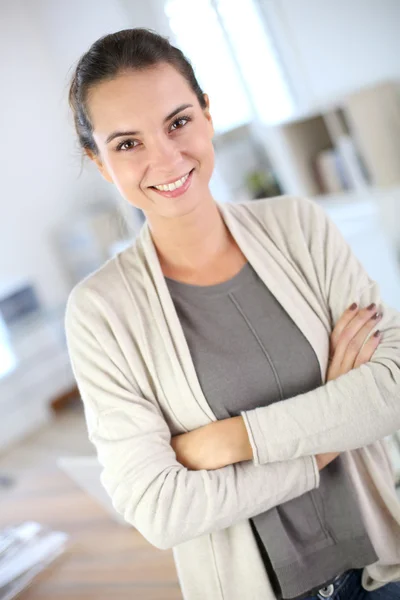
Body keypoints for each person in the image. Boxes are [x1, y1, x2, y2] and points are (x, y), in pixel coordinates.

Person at [65, 28, 400, 600]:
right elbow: (160, 508)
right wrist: (326, 436)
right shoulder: (100, 314)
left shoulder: (299, 226)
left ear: (207, 114)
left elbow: (391, 388)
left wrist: (230, 441)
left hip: (385, 566)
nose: (166, 157)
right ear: (99, 163)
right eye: (126, 144)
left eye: (177, 122)